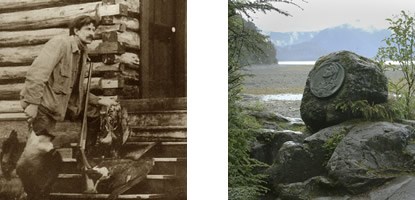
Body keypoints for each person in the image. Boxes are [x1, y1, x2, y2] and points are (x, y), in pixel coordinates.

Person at [16, 15, 117, 199]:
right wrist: (32, 103)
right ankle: (29, 190)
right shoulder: (60, 44)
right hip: (43, 106)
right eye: (88, 29)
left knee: (92, 116)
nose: (92, 33)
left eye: (94, 30)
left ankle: (86, 165)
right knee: (36, 154)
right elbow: (37, 73)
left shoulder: (82, 54)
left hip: (60, 108)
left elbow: (75, 89)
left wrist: (99, 100)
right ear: (76, 30)